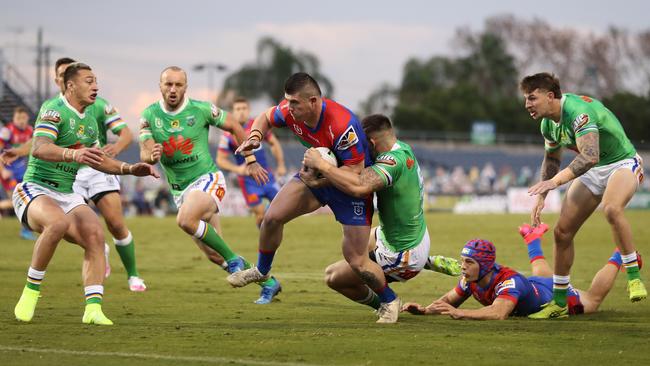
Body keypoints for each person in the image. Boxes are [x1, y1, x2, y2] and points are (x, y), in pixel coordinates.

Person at [227, 72, 401, 323]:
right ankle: (262, 271)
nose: (289, 107)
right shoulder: (289, 112)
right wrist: (255, 138)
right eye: (287, 101)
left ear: (313, 101)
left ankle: (389, 300)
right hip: (316, 176)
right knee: (272, 217)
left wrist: (320, 175)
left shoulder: (343, 125)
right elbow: (264, 117)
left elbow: (355, 174)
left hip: (350, 186)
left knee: (357, 260)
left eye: (295, 102)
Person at [2, 62, 159, 325]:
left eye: (96, 80)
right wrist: (73, 153)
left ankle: (93, 309)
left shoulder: (89, 120)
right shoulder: (54, 110)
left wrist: (131, 168)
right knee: (58, 223)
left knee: (96, 235)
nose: (95, 85)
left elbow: (99, 160)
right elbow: (40, 148)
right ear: (71, 85)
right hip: (35, 188)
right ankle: (30, 292)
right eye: (89, 81)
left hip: (67, 194)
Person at [138, 66, 281, 304]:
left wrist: (251, 160)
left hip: (208, 180)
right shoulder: (149, 115)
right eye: (168, 84)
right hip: (180, 191)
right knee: (216, 254)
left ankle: (235, 261)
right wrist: (150, 156)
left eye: (178, 85)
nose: (173, 89)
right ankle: (268, 282)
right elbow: (145, 151)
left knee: (185, 220)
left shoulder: (202, 109)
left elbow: (235, 126)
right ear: (160, 86)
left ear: (186, 87)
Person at [301, 114, 460, 312]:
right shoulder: (402, 148)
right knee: (355, 246)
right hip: (409, 236)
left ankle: (385, 305)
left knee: (333, 277)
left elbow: (359, 186)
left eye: (362, 144)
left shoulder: (392, 162)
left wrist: (322, 166)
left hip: (402, 254)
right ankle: (427, 260)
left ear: (371, 142)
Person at [520, 72, 646, 319]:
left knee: (611, 209)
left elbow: (589, 155)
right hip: (594, 170)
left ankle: (633, 276)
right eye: (526, 99)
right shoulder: (548, 123)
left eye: (532, 98)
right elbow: (553, 158)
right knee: (562, 232)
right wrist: (543, 195)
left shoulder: (578, 112)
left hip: (621, 163)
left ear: (550, 96)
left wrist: (554, 182)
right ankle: (558, 302)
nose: (527, 105)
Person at [51, 57, 146, 292]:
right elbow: (40, 142)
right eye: (61, 75)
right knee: (71, 228)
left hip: (98, 169)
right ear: (59, 80)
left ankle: (133, 275)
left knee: (115, 223)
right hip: (70, 173)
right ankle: (98, 247)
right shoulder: (52, 109)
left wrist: (116, 149)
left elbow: (124, 133)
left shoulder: (99, 105)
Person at [401, 223, 632, 319]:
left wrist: (462, 313)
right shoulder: (470, 279)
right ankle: (532, 239)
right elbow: (449, 300)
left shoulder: (508, 283)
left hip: (553, 297)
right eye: (463, 260)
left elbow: (498, 313)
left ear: (484, 264)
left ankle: (620, 254)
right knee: (542, 274)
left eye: (468, 262)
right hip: (533, 285)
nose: (463, 266)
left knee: (592, 300)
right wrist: (425, 310)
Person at [217, 96, 286, 228]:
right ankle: (266, 242)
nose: (241, 111)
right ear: (233, 112)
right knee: (260, 214)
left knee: (281, 207)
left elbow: (274, 143)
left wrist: (281, 164)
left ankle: (270, 234)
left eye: (244, 108)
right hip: (248, 182)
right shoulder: (227, 135)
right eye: (238, 109)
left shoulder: (257, 126)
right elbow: (220, 160)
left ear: (248, 110)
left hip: (267, 176)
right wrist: (238, 170)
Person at [0, 106, 36, 239]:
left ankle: (26, 230)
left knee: (25, 200)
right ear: (13, 118)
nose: (21, 121)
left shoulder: (30, 131)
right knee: (18, 201)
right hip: (8, 171)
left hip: (22, 170)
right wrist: (3, 171)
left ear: (27, 119)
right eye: (18, 118)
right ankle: (25, 230)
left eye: (23, 118)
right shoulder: (7, 131)